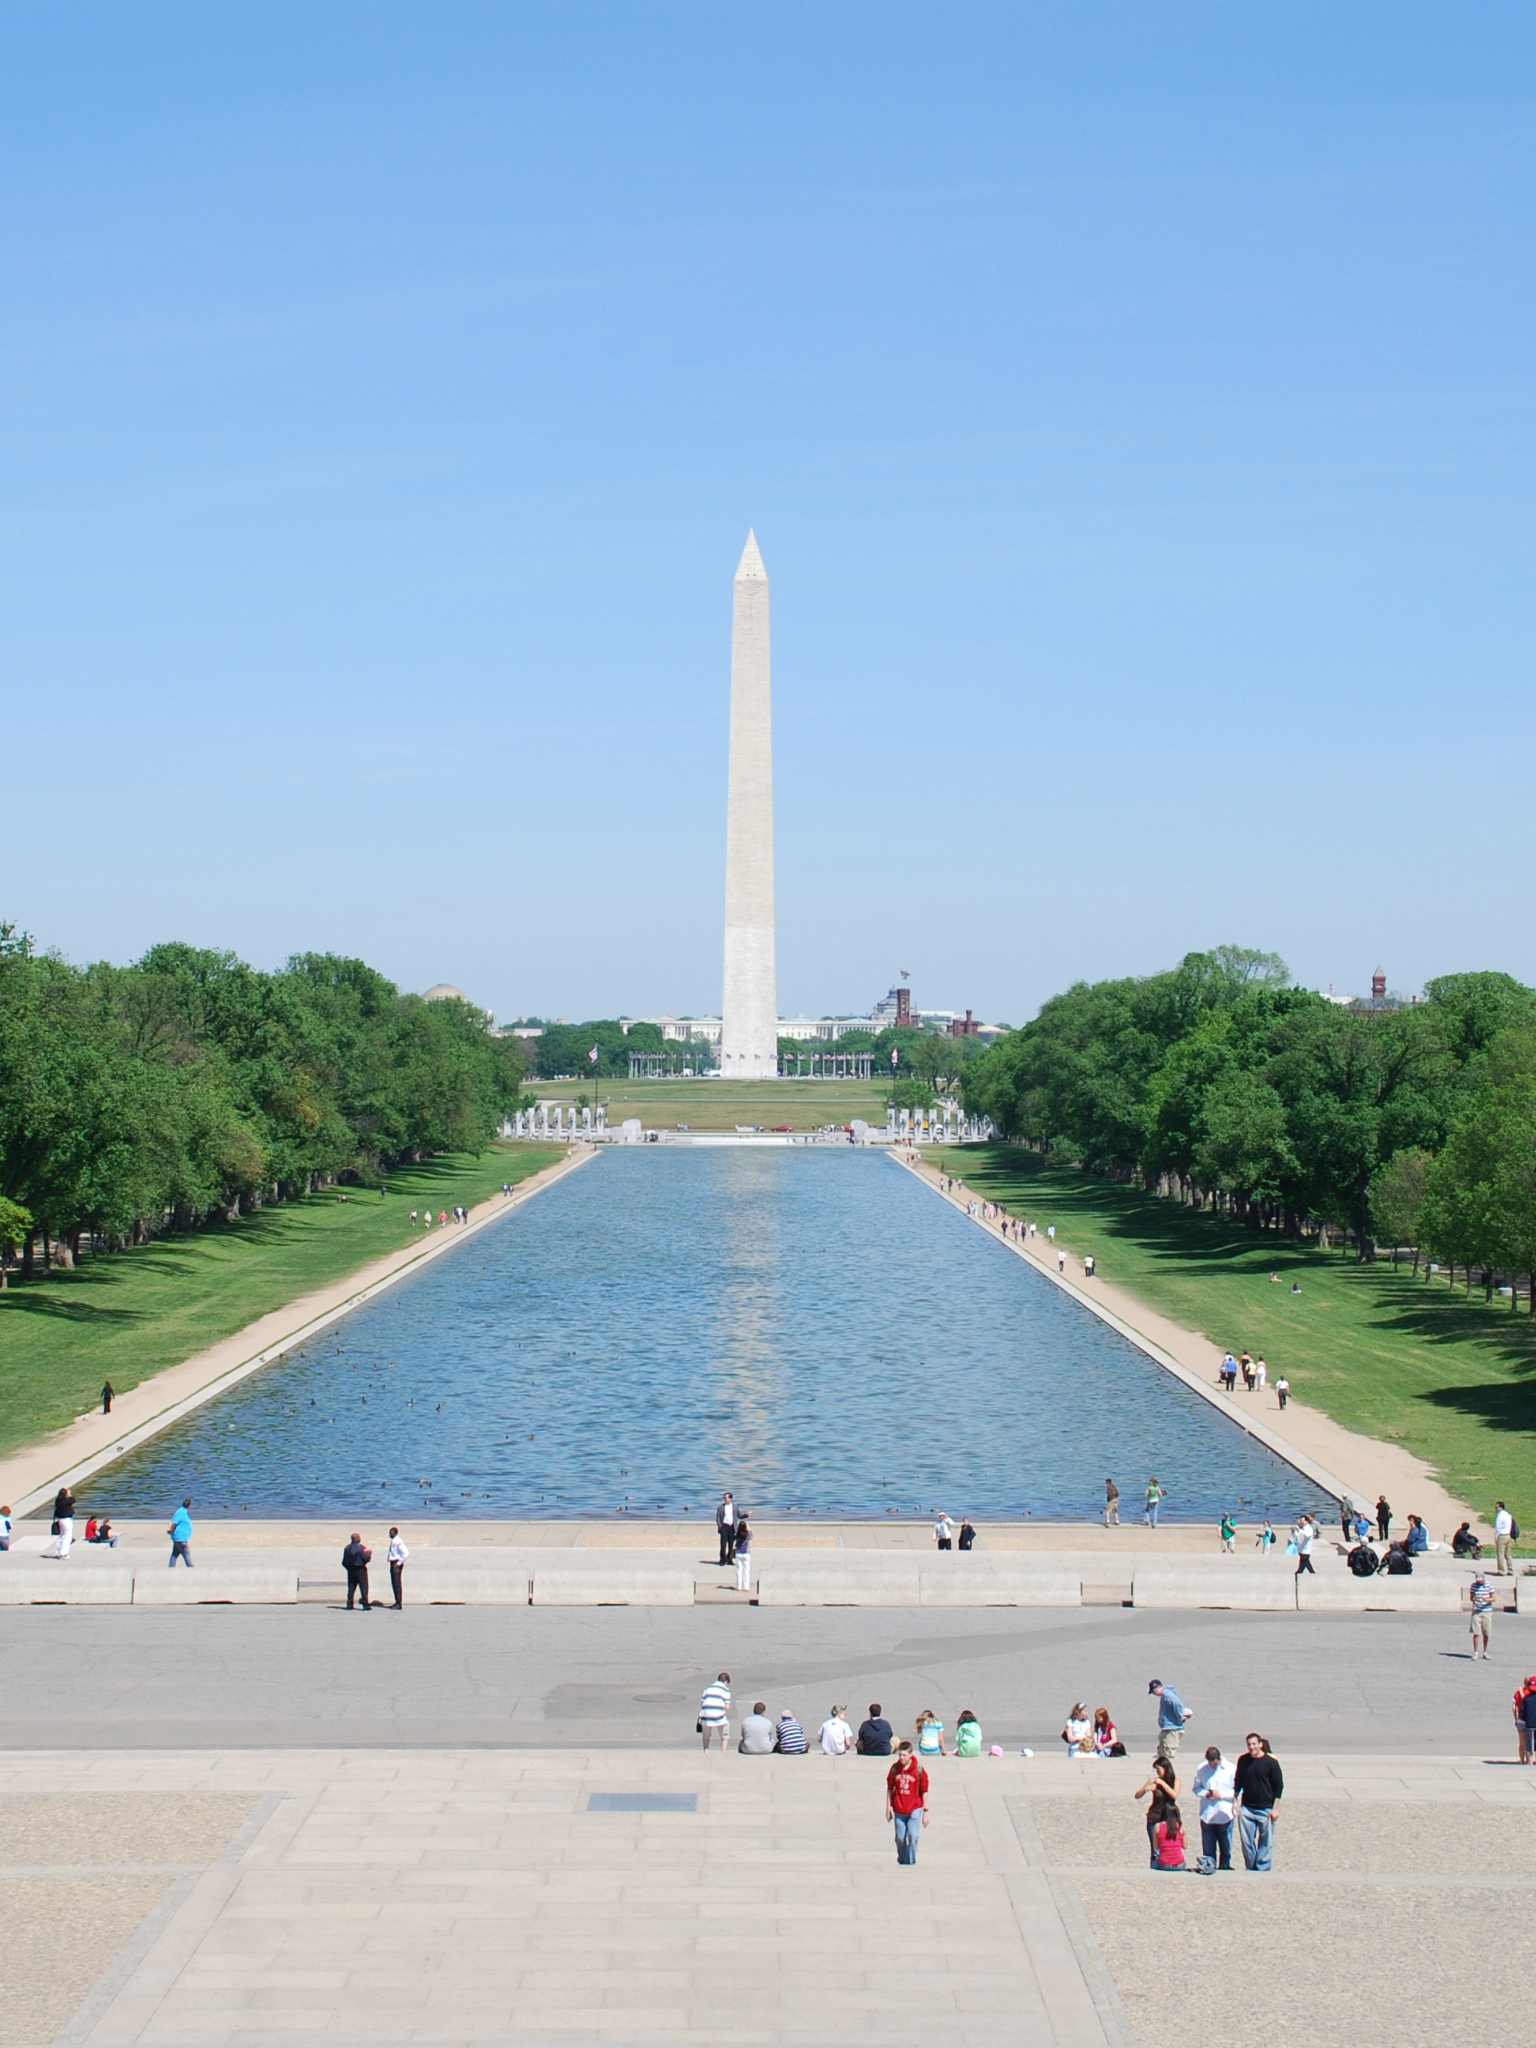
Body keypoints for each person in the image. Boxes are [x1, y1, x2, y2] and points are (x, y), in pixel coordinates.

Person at [1233, 1733, 1283, 1871]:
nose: (1251, 1747)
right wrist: (1235, 1801)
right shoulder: (1243, 1760)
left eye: (1254, 1744)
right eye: (1249, 1744)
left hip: (1266, 1808)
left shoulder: (1271, 1763)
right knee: (1246, 1841)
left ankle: (1263, 1868)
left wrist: (1275, 1808)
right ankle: (1251, 1867)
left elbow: (1278, 1787)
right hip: (1247, 1808)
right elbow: (1238, 1782)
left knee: (1266, 1842)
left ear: (1260, 1744)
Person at [885, 1741, 930, 1865]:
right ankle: (903, 1859)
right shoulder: (895, 1769)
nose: (901, 1758)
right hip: (899, 1809)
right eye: (900, 1755)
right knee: (900, 1838)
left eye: (904, 1755)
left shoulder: (919, 1769)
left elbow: (924, 1791)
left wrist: (926, 1812)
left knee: (913, 1836)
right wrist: (888, 1808)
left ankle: (910, 1861)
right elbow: (889, 1789)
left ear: (910, 1754)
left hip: (914, 1808)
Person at [1192, 1746, 1236, 1870]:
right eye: (1210, 1763)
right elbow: (1196, 1788)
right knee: (1208, 1849)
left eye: (1215, 1762)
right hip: (1208, 1814)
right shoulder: (1201, 1769)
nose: (1213, 1765)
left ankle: (1225, 1868)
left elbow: (1238, 1791)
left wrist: (1221, 1794)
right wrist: (1205, 1793)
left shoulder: (1231, 1769)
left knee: (1226, 1848)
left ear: (1219, 1759)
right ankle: (1209, 1868)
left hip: (1225, 1813)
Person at [1133, 1756, 1178, 1867]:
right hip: (1155, 1816)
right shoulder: (1154, 1781)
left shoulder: (1175, 1780)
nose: (1158, 1772)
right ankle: (1155, 1868)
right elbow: (1137, 1795)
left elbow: (1174, 1795)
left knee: (1169, 1845)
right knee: (1155, 1848)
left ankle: (1168, 1865)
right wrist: (1146, 1789)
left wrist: (1162, 1784)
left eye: (1159, 1769)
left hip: (1169, 1817)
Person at [1147, 1679, 1191, 1761]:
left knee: (1169, 1753)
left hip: (1172, 1728)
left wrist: (1179, 1717)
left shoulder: (1167, 1694)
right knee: (1162, 1750)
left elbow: (1177, 1703)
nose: (1154, 1694)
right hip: (1167, 1727)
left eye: (1153, 1692)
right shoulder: (1166, 1694)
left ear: (1156, 1688)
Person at [698, 1672, 732, 1753]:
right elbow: (727, 1707)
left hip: (705, 1715)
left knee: (706, 1735)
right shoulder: (726, 1690)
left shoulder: (707, 1688)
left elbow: (702, 1703)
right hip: (718, 1716)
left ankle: (706, 1751)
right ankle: (723, 1754)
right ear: (726, 1682)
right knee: (725, 1735)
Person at [1153, 1799, 1187, 1870]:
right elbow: (1184, 1846)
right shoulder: (1181, 1826)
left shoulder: (1158, 1826)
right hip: (1179, 1864)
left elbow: (1156, 1847)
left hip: (1163, 1863)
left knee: (1154, 1861)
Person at [342, 1532, 373, 1610]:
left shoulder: (347, 1548)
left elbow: (344, 1562)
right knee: (363, 1587)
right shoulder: (362, 1548)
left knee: (351, 1587)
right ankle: (365, 1604)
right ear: (357, 1539)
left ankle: (349, 1604)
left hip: (351, 1569)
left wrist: (349, 1568)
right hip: (360, 1569)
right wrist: (369, 1553)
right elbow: (366, 1558)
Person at [1469, 1573, 1496, 1659]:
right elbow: (1471, 1598)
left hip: (1486, 1611)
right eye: (1478, 1580)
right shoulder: (1473, 1586)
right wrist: (1474, 1599)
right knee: (1476, 1633)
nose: (1479, 1582)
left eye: (1481, 1580)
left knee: (1486, 1632)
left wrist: (1487, 1600)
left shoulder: (1489, 1585)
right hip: (1476, 1611)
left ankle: (1485, 1652)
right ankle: (1476, 1652)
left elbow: (1494, 1598)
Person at [1514, 1678, 1536, 1765]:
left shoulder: (1526, 1699)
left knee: (1528, 1743)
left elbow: (1521, 1712)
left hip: (1528, 1723)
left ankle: (1528, 1761)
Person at [50, 1486, 75, 1559]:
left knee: (62, 1535)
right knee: (67, 1536)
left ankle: (59, 1550)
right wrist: (69, 1494)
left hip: (60, 1519)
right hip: (67, 1519)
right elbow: (73, 1499)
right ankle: (64, 1553)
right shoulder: (66, 1501)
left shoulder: (58, 1501)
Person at [387, 1526, 408, 1609]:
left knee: (397, 1583)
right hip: (393, 1562)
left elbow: (406, 1553)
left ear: (395, 1533)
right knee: (394, 1583)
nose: (389, 1534)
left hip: (396, 1563)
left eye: (391, 1533)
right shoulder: (393, 1540)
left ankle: (399, 1603)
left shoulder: (397, 1541)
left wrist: (399, 1563)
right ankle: (396, 1601)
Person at [167, 1498, 192, 1568]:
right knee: (186, 1554)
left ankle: (170, 1569)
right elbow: (174, 1523)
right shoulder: (181, 1512)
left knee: (174, 1554)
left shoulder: (181, 1511)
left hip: (179, 1538)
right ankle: (192, 1569)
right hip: (181, 1539)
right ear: (189, 1506)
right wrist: (172, 1531)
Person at [1494, 1502, 1515, 1576]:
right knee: (1508, 1554)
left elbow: (1498, 1528)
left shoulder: (1499, 1516)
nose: (1496, 1509)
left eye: (1497, 1507)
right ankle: (1510, 1569)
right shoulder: (1507, 1515)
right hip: (1508, 1535)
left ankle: (1501, 1571)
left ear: (1500, 1507)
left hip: (1502, 1535)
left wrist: (1496, 1538)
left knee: (1500, 1554)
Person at [716, 1492, 736, 1567]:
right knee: (723, 1544)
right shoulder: (721, 1507)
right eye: (724, 1498)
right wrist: (720, 1527)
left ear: (730, 1499)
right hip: (724, 1526)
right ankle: (722, 1559)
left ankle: (729, 1559)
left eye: (726, 1498)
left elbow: (739, 1515)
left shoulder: (735, 1506)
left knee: (731, 1544)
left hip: (732, 1527)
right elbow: (718, 1517)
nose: (724, 1499)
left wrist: (746, 1515)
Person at [733, 1517, 753, 1593]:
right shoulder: (747, 1535)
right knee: (746, 1570)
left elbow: (734, 1536)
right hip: (746, 1553)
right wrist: (748, 1527)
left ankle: (739, 1586)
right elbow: (751, 1536)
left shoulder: (737, 1535)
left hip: (738, 1553)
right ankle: (746, 1586)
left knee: (739, 1570)